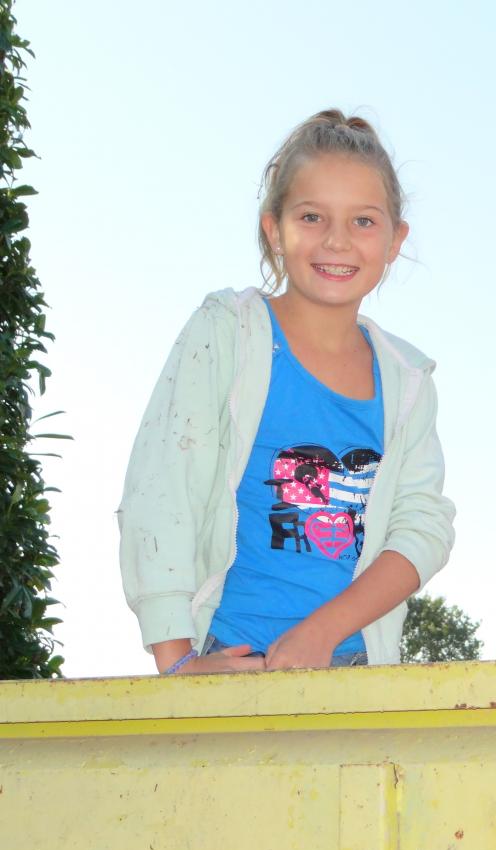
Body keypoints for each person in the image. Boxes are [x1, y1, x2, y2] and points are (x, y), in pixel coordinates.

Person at [118, 110, 455, 676]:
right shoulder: (226, 331)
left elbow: (423, 527)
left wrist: (321, 633)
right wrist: (176, 665)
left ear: (396, 240)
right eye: (312, 216)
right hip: (222, 657)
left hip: (352, 666)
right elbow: (161, 490)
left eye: (364, 222)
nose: (337, 240)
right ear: (275, 228)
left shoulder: (409, 381)